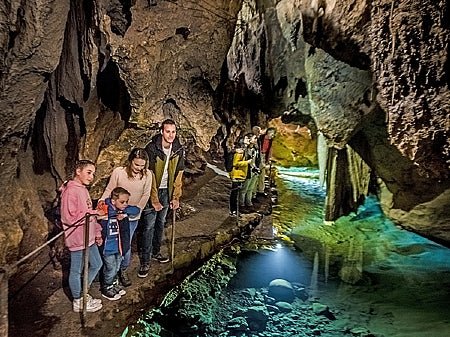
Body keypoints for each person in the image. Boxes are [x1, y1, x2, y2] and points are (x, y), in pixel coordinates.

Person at [99, 148, 152, 287]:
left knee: (126, 245)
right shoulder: (119, 172)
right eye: (136, 165)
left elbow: (146, 195)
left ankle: (122, 270)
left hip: (131, 216)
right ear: (130, 161)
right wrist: (101, 203)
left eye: (142, 165)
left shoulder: (147, 175)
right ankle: (110, 273)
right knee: (112, 244)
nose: (139, 168)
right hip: (114, 215)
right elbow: (110, 190)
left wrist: (134, 211)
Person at [139, 118, 184, 276]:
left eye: (173, 132)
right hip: (153, 189)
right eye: (167, 131)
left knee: (161, 222)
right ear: (161, 132)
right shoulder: (152, 149)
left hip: (167, 191)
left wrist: (176, 196)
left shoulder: (178, 149)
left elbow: (179, 174)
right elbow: (148, 175)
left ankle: (155, 252)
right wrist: (154, 199)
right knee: (148, 225)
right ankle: (145, 260)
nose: (171, 135)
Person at [60, 159, 105, 313]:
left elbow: (87, 212)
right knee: (76, 269)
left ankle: (82, 292)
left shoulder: (82, 189)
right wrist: (93, 213)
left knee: (97, 263)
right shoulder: (71, 191)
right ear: (78, 171)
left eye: (93, 173)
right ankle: (78, 300)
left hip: (89, 236)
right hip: (78, 237)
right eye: (89, 172)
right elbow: (68, 217)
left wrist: (97, 231)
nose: (92, 176)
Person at [98, 187, 140, 301]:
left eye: (126, 201)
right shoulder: (105, 209)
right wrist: (115, 213)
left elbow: (136, 210)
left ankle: (114, 284)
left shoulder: (122, 210)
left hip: (119, 246)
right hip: (108, 248)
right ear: (113, 201)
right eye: (122, 202)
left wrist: (123, 212)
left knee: (116, 266)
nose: (125, 204)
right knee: (110, 268)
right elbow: (99, 214)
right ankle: (106, 287)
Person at [229, 135, 251, 216]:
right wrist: (247, 162)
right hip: (237, 175)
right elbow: (235, 163)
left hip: (241, 175)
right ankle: (233, 210)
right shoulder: (240, 152)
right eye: (247, 138)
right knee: (234, 194)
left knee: (237, 193)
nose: (248, 140)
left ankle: (236, 211)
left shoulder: (244, 151)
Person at [239, 133, 260, 210]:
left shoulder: (255, 149)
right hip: (247, 170)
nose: (256, 140)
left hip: (254, 170)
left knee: (250, 188)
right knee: (244, 188)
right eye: (254, 138)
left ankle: (249, 202)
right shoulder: (245, 150)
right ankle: (241, 204)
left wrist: (256, 168)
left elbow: (256, 160)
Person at [257, 127, 276, 195]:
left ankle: (261, 190)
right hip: (258, 155)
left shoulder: (270, 140)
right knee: (258, 173)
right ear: (268, 132)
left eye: (273, 133)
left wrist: (268, 159)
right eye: (272, 133)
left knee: (262, 173)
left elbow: (270, 150)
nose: (273, 135)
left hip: (264, 156)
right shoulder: (261, 138)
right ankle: (255, 191)